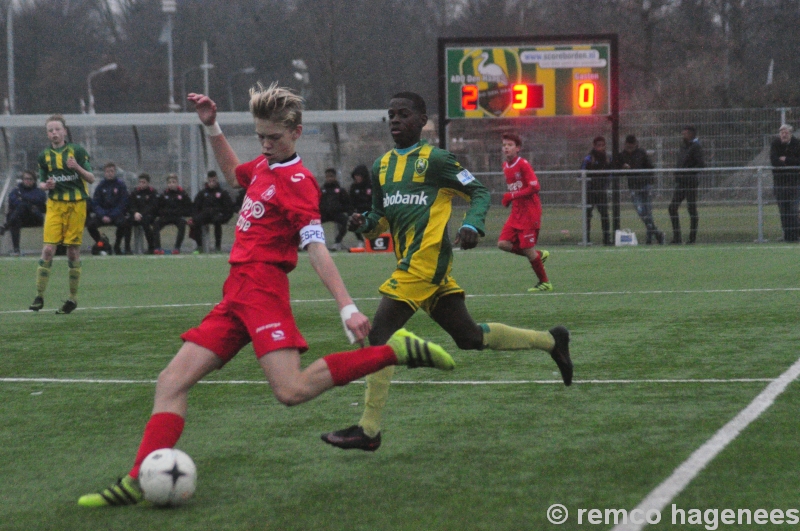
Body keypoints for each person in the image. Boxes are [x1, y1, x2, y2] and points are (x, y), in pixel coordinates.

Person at [77, 84, 455, 508]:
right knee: (171, 381)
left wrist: (347, 306)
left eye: (273, 138)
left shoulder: (300, 183)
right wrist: (213, 127)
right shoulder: (262, 166)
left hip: (264, 293)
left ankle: (394, 351)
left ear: (295, 132)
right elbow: (234, 170)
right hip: (235, 293)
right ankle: (135, 479)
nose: (266, 145)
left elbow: (316, 250)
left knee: (290, 391)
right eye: (260, 137)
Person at [320, 92, 572, 452]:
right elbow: (380, 221)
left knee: (378, 337)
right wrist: (365, 222)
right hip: (417, 267)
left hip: (424, 263)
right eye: (390, 114)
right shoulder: (381, 167)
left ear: (422, 120)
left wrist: (472, 223)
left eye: (403, 114)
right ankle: (552, 341)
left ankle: (369, 430)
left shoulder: (436, 160)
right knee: (469, 337)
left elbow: (479, 192)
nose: (394, 120)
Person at [29, 114, 95, 314]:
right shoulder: (44, 156)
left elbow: (91, 178)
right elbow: (41, 181)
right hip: (55, 206)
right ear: (47, 134)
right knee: (48, 250)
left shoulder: (77, 151)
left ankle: (72, 299)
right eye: (50, 130)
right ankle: (39, 296)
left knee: (72, 251)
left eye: (57, 129)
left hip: (76, 205)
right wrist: (45, 185)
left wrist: (77, 168)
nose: (54, 133)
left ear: (65, 131)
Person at [497, 132, 552, 292]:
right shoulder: (505, 166)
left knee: (527, 248)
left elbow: (535, 187)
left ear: (518, 148)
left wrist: (511, 196)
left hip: (530, 213)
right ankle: (538, 255)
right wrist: (511, 198)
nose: (506, 148)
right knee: (503, 244)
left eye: (510, 145)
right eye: (504, 145)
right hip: (517, 212)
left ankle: (545, 282)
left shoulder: (523, 164)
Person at [617, 135, 664, 245]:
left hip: (645, 185)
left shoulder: (641, 153)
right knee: (641, 212)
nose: (630, 149)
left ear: (636, 144)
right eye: (628, 147)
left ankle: (649, 239)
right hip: (633, 187)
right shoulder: (622, 155)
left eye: (632, 147)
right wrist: (623, 168)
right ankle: (657, 233)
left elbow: (650, 167)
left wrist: (648, 179)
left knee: (648, 213)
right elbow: (618, 170)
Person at [668, 125, 704, 244]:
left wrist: (687, 172)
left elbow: (701, 165)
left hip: (690, 182)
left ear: (691, 134)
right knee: (672, 208)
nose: (683, 136)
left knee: (691, 209)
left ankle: (692, 238)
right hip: (681, 182)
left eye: (685, 134)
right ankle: (677, 237)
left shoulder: (696, 147)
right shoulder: (684, 147)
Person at [86, 162, 130, 255]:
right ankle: (102, 244)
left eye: (112, 171)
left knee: (124, 224)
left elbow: (123, 204)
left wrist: (112, 215)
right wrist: (102, 215)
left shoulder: (121, 185)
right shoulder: (100, 186)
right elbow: (95, 204)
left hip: (116, 215)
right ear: (104, 173)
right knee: (90, 225)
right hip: (103, 215)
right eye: (107, 171)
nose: (110, 173)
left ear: (115, 172)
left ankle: (117, 245)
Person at [0, 170, 47, 256]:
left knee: (23, 205)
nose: (28, 181)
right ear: (22, 179)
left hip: (35, 218)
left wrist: (23, 199)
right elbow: (12, 201)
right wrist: (29, 203)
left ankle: (5, 226)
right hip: (20, 218)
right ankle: (16, 250)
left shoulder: (39, 191)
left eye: (30, 179)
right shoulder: (16, 190)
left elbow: (40, 200)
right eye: (25, 179)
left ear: (34, 180)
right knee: (16, 217)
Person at [188, 170, 234, 253]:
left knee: (217, 221)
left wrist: (224, 217)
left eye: (214, 180)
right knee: (197, 221)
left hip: (217, 215)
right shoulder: (202, 193)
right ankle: (199, 246)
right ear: (207, 180)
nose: (212, 183)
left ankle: (217, 247)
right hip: (205, 214)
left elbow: (229, 207)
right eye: (210, 181)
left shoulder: (222, 193)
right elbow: (195, 206)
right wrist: (194, 217)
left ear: (217, 180)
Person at [769, 124, 800, 242]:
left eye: (786, 132)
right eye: (781, 132)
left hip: (794, 182)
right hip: (780, 182)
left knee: (793, 209)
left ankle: (795, 235)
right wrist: (787, 165)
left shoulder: (797, 144)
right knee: (783, 210)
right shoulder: (775, 144)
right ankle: (787, 236)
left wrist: (786, 160)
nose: (783, 135)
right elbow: (774, 161)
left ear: (790, 133)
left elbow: (798, 162)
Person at [580, 136, 612, 245]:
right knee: (587, 215)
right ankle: (586, 239)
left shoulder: (607, 158)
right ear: (594, 146)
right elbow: (581, 173)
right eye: (599, 145)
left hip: (602, 191)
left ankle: (606, 239)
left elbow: (611, 173)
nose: (601, 148)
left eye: (603, 145)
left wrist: (606, 185)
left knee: (605, 215)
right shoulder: (589, 158)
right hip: (590, 192)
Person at [152, 173, 192, 255]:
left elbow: (189, 207)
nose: (171, 184)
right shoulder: (163, 195)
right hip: (166, 217)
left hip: (177, 217)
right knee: (156, 224)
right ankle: (157, 248)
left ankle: (177, 248)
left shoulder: (183, 194)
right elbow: (158, 207)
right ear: (167, 184)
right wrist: (163, 213)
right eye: (170, 182)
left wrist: (181, 213)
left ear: (177, 183)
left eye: (173, 182)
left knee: (182, 224)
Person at [124, 173, 159, 254]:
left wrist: (142, 214)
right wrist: (135, 213)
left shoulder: (152, 192)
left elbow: (153, 206)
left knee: (146, 222)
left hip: (148, 216)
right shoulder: (135, 192)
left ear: (148, 183)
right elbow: (131, 205)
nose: (141, 184)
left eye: (144, 182)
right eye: (140, 182)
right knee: (127, 222)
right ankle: (127, 248)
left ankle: (151, 247)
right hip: (136, 215)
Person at [319, 167, 351, 251]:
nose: (329, 178)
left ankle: (337, 242)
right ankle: (317, 244)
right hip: (324, 214)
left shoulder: (340, 190)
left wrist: (347, 212)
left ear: (335, 177)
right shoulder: (322, 190)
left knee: (346, 221)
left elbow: (347, 203)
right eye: (327, 176)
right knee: (311, 223)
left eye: (331, 176)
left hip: (336, 214)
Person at [348, 164, 372, 248]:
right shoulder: (353, 187)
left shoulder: (371, 186)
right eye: (355, 176)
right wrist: (351, 212)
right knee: (354, 220)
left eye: (359, 176)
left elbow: (376, 200)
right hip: (359, 211)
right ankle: (361, 241)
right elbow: (351, 202)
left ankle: (372, 241)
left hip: (371, 211)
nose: (357, 178)